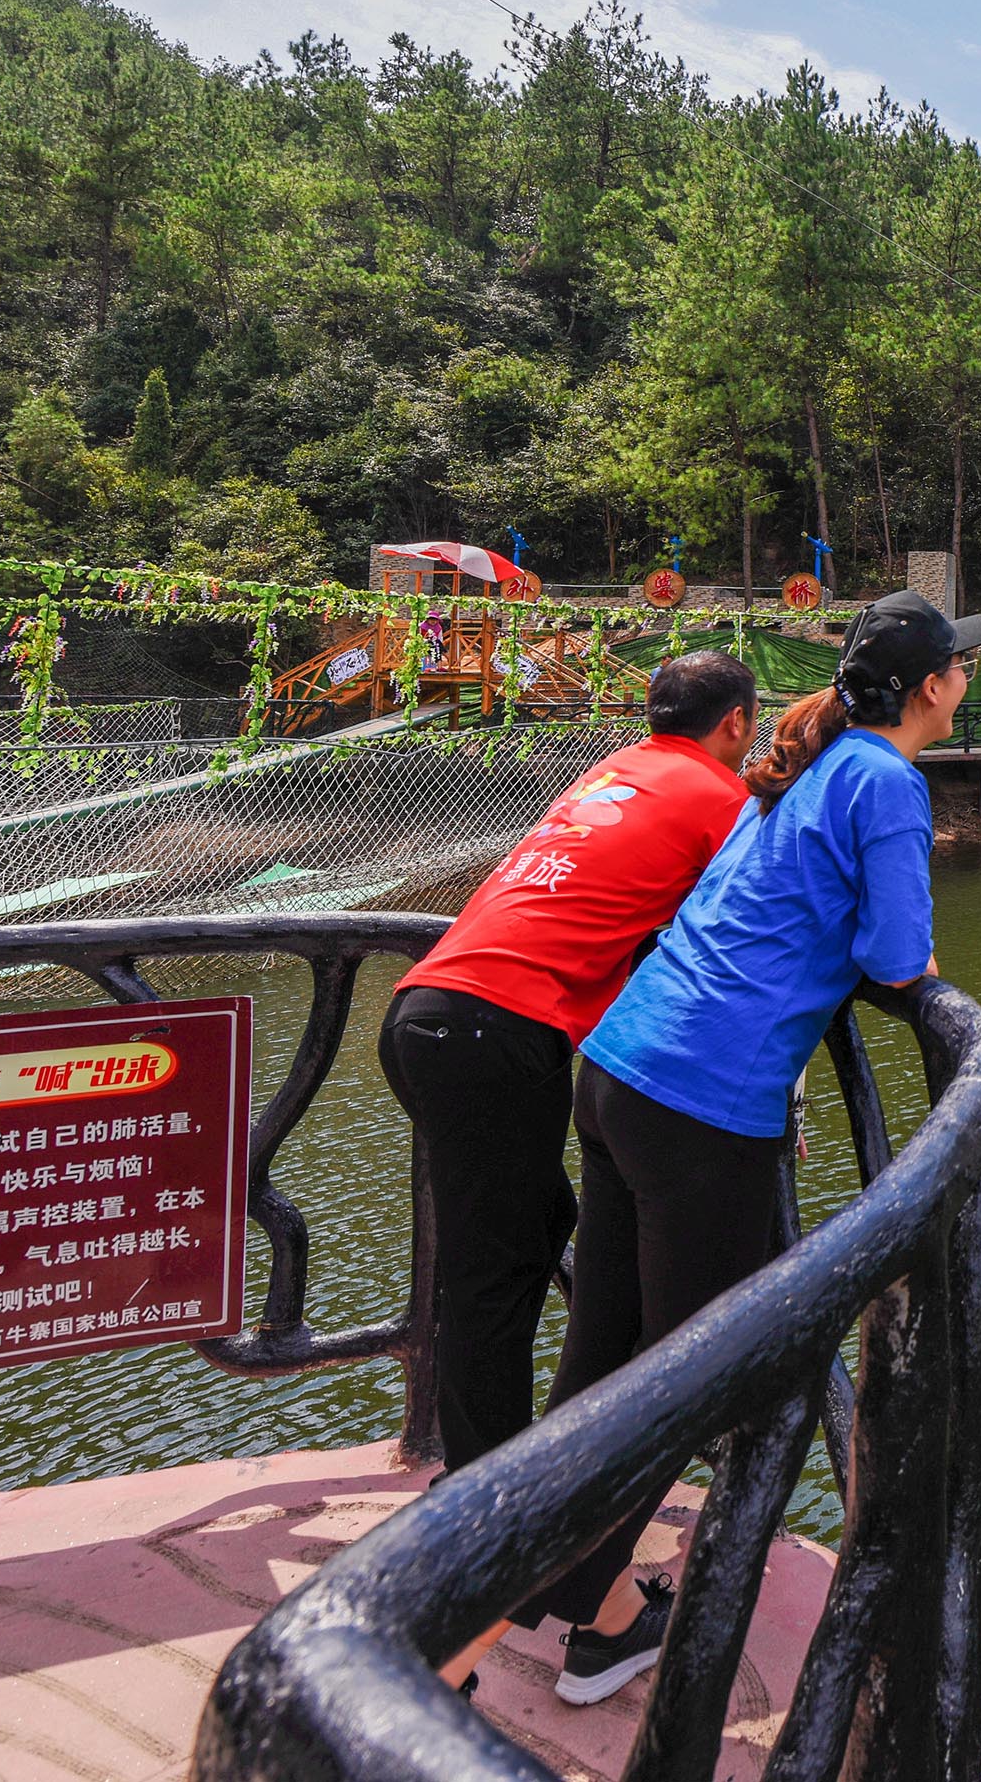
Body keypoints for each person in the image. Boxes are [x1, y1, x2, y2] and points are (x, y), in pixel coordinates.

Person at [529, 590, 981, 1680]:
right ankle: (555, 1624)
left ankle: (532, 1568)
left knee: (609, 1355)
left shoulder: (814, 760)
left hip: (620, 1069)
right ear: (933, 687)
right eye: (960, 666)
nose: (966, 679)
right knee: (711, 1376)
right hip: (703, 1104)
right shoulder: (883, 778)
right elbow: (895, 959)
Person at [372, 648, 757, 1700]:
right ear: (735, 725)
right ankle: (494, 1538)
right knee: (497, 1283)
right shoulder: (718, 793)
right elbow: (739, 929)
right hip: (500, 1034)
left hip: (424, 1014)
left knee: (539, 1241)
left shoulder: (609, 772)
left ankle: (534, 1518)